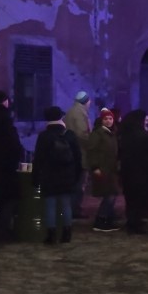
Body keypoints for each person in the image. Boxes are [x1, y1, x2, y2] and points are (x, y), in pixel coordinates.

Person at [33, 106, 83, 245]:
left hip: (49, 175)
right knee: (66, 205)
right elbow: (78, 156)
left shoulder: (44, 136)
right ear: (61, 117)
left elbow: (38, 158)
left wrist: (35, 177)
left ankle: (51, 235)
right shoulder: (69, 134)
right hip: (67, 175)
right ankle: (67, 234)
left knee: (50, 205)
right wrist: (77, 175)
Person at [0, 90, 23, 244]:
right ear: (4, 101)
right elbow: (13, 146)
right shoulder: (5, 120)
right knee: (7, 200)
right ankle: (3, 231)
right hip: (4, 169)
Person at [118, 110, 148, 234]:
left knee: (130, 198)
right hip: (142, 171)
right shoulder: (143, 135)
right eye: (145, 120)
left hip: (127, 170)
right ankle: (138, 224)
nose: (146, 122)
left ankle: (132, 222)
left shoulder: (125, 135)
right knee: (140, 199)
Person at [88, 108, 121, 232]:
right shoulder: (98, 134)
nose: (108, 121)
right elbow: (92, 151)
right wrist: (95, 167)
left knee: (112, 194)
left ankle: (107, 219)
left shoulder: (111, 133)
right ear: (101, 120)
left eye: (110, 118)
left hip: (111, 169)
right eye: (106, 119)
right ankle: (101, 220)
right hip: (103, 169)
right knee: (109, 195)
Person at [65, 91, 91, 221]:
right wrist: (92, 143)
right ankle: (75, 209)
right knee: (80, 184)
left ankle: (71, 209)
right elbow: (82, 134)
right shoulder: (80, 113)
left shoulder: (70, 111)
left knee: (74, 182)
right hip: (80, 153)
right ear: (86, 101)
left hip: (71, 152)